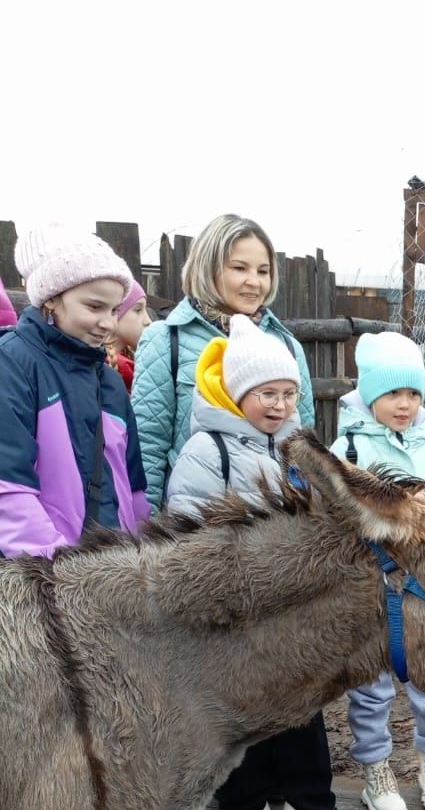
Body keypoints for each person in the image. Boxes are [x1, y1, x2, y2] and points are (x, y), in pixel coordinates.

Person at [166, 315, 348, 810]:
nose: (278, 404)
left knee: (302, 709)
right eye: (266, 393)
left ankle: (306, 804)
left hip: (294, 612)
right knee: (245, 714)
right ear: (237, 392)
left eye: (289, 394)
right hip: (239, 611)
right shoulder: (208, 451)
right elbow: (188, 527)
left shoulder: (296, 451)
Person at [331, 332, 425, 810]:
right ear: (371, 395)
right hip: (372, 586)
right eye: (393, 394)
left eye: (413, 394)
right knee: (372, 686)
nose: (405, 404)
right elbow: (336, 514)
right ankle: (377, 773)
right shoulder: (346, 447)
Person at [133, 214, 314, 508]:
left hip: (278, 532)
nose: (254, 282)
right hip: (193, 523)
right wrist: (148, 536)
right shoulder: (167, 340)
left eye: (263, 271)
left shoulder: (287, 347)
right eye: (239, 268)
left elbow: (302, 446)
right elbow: (147, 448)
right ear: (209, 268)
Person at [0, 225, 150, 556]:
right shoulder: (12, 364)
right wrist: (58, 575)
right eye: (94, 307)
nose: (109, 324)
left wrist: (143, 558)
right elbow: (8, 490)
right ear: (52, 297)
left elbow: (134, 486)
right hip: (50, 581)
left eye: (114, 310)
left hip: (115, 572)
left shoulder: (108, 381)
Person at [107, 280, 151, 392]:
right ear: (115, 313)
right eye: (138, 310)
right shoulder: (118, 368)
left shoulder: (130, 361)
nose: (148, 321)